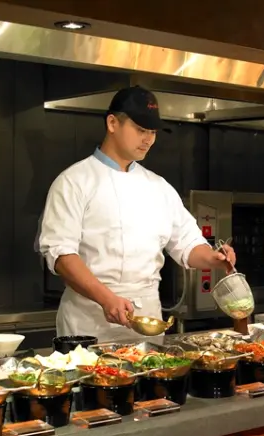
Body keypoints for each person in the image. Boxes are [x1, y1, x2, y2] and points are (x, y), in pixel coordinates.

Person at [37, 86, 236, 340]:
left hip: (146, 320)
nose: (148, 139)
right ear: (112, 123)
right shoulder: (74, 182)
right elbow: (62, 256)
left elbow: (187, 243)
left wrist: (213, 258)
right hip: (88, 322)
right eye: (141, 130)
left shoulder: (159, 187)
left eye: (153, 132)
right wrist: (106, 298)